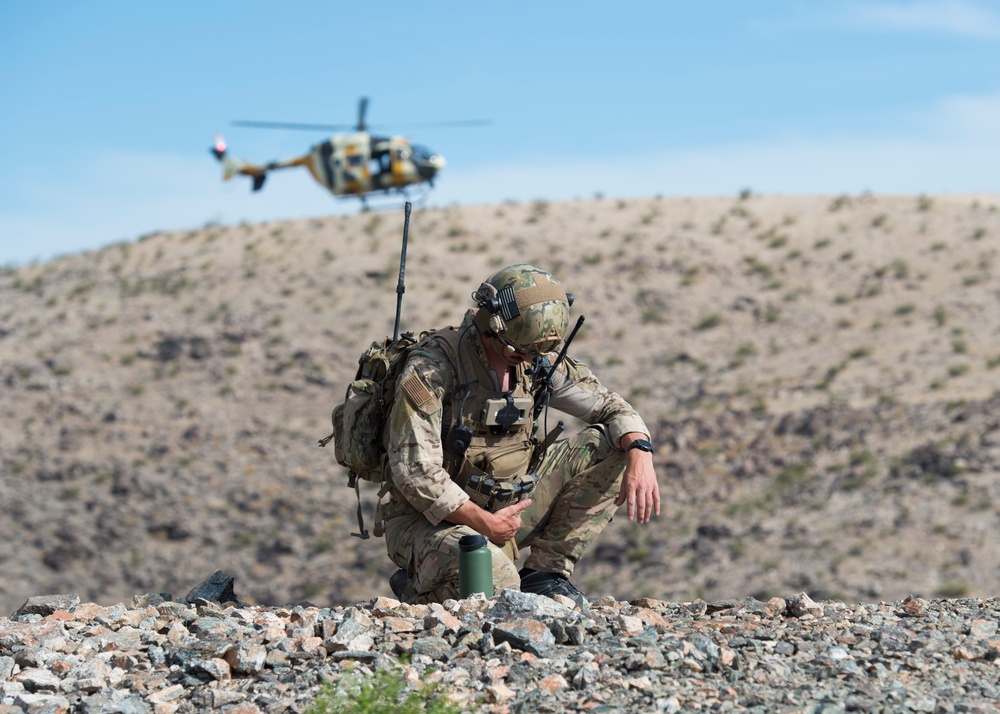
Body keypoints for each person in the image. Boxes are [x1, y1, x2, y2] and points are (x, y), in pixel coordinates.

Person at [377, 263, 660, 605]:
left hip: (508, 510)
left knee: (611, 445)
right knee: (499, 584)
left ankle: (545, 574)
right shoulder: (433, 367)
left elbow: (612, 407)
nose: (525, 359)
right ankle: (420, 582)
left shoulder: (535, 360)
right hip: (429, 521)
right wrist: (483, 523)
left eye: (534, 353)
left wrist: (640, 450)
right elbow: (416, 472)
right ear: (490, 326)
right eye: (517, 351)